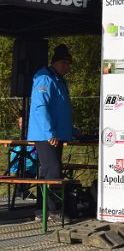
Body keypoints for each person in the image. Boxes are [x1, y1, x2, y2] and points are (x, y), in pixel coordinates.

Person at [27, 44, 77, 221]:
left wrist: (73, 131)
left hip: (56, 134)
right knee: (53, 171)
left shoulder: (58, 80)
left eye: (68, 63)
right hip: (46, 135)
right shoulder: (45, 78)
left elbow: (60, 110)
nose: (67, 67)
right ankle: (54, 210)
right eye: (64, 63)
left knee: (47, 171)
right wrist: (50, 133)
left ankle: (41, 210)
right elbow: (40, 107)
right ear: (55, 63)